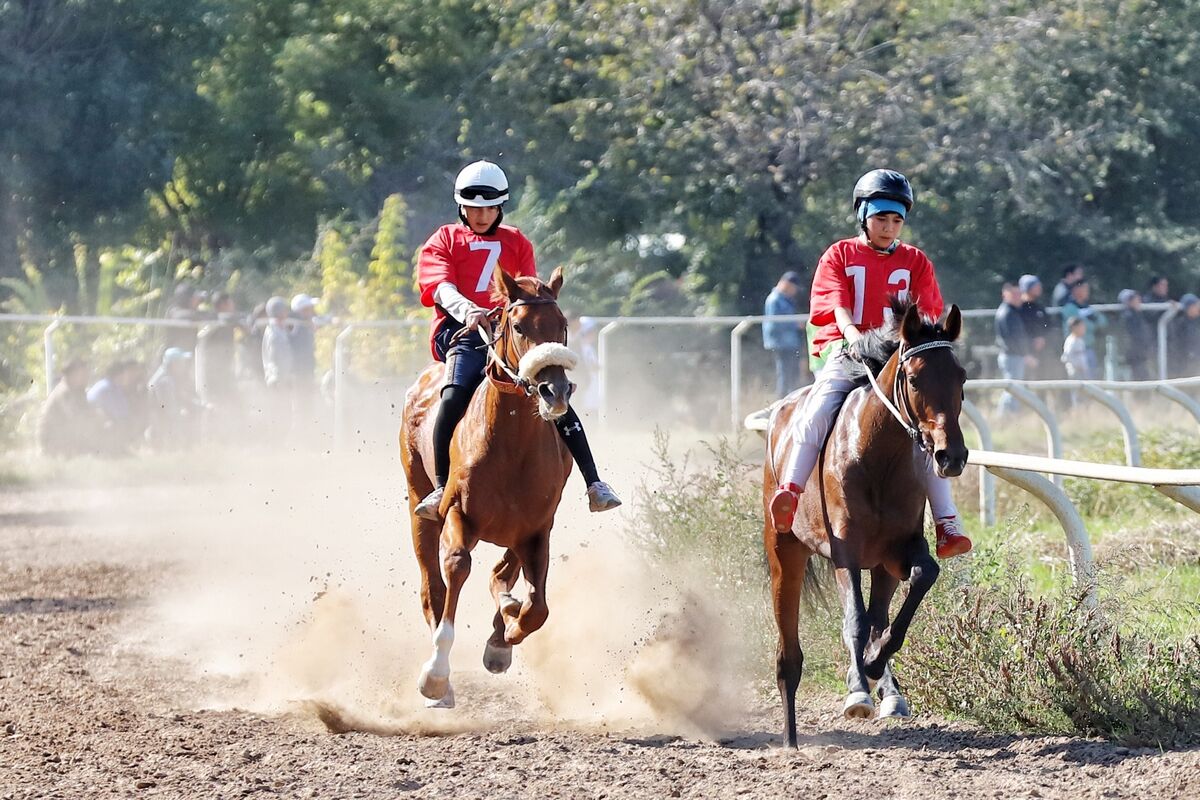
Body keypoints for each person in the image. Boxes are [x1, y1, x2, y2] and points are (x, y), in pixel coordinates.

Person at [767, 168, 971, 559]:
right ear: (863, 216)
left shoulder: (916, 261)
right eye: (881, 219)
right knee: (820, 408)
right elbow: (835, 303)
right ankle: (790, 491)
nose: (889, 228)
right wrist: (853, 337)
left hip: (897, 360)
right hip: (847, 351)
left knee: (932, 428)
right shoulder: (839, 254)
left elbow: (928, 312)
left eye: (897, 221)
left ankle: (946, 522)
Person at [413, 159, 620, 520]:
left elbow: (528, 290)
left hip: (512, 334)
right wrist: (468, 310)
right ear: (461, 207)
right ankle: (440, 487)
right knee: (455, 392)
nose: (481, 215)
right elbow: (439, 286)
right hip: (464, 333)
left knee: (553, 392)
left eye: (489, 208)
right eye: (474, 208)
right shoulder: (443, 239)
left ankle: (594, 482)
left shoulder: (517, 241)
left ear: (500, 207)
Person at [38, 359, 98, 457]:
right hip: (54, 443)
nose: (87, 378)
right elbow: (77, 419)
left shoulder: (77, 391)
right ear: (72, 375)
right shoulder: (64, 392)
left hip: (67, 438)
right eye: (83, 374)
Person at [87, 359, 146, 453]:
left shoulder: (108, 385)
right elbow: (120, 413)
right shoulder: (108, 388)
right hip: (101, 426)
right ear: (120, 374)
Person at [762, 271, 805, 398]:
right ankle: (782, 402)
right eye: (794, 288)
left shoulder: (782, 299)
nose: (795, 291)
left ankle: (787, 400)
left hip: (787, 343)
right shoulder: (775, 299)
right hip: (781, 343)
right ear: (787, 284)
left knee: (790, 374)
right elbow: (775, 323)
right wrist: (795, 324)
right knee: (785, 375)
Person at [146, 348, 200, 450]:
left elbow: (181, 398)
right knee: (186, 416)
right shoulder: (165, 381)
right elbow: (168, 406)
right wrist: (181, 413)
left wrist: (201, 405)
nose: (184, 365)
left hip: (162, 417)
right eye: (181, 362)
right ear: (174, 364)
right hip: (161, 419)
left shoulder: (168, 377)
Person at [994, 282, 1034, 413]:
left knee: (1013, 389)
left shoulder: (1009, 311)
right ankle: (1004, 417)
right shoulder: (1008, 313)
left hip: (1012, 355)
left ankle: (1007, 416)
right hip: (1012, 356)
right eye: (1015, 294)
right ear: (1005, 295)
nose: (1019, 297)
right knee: (1012, 389)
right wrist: (1025, 354)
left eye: (1019, 294)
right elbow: (1013, 339)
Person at [261, 296, 294, 438]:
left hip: (281, 377)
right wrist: (281, 378)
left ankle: (280, 441)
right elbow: (277, 358)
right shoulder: (274, 333)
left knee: (284, 412)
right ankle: (276, 442)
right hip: (277, 379)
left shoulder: (280, 329)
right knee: (279, 412)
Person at [1060, 279, 1107, 377]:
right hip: (1076, 350)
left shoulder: (1088, 307)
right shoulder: (1070, 307)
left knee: (1092, 378)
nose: (1087, 292)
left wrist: (1093, 320)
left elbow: (1103, 322)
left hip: (1089, 348)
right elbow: (1079, 324)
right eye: (1084, 289)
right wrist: (1092, 321)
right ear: (1076, 290)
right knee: (1078, 379)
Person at [1017, 274, 1053, 379]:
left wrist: (1043, 338)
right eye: (1036, 286)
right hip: (1026, 352)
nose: (1039, 288)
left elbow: (1049, 326)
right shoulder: (1019, 309)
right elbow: (1018, 331)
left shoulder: (1039, 307)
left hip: (1041, 352)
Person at [1117, 288, 1155, 381]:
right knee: (1139, 379)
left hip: (1140, 354)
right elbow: (1134, 337)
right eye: (1134, 299)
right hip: (1135, 356)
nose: (1138, 300)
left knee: (1143, 378)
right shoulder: (1128, 317)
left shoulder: (1136, 315)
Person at [1169, 293, 1200, 377]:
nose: (1198, 308)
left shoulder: (1194, 321)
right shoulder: (1180, 323)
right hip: (1185, 363)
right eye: (1196, 305)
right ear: (1190, 307)